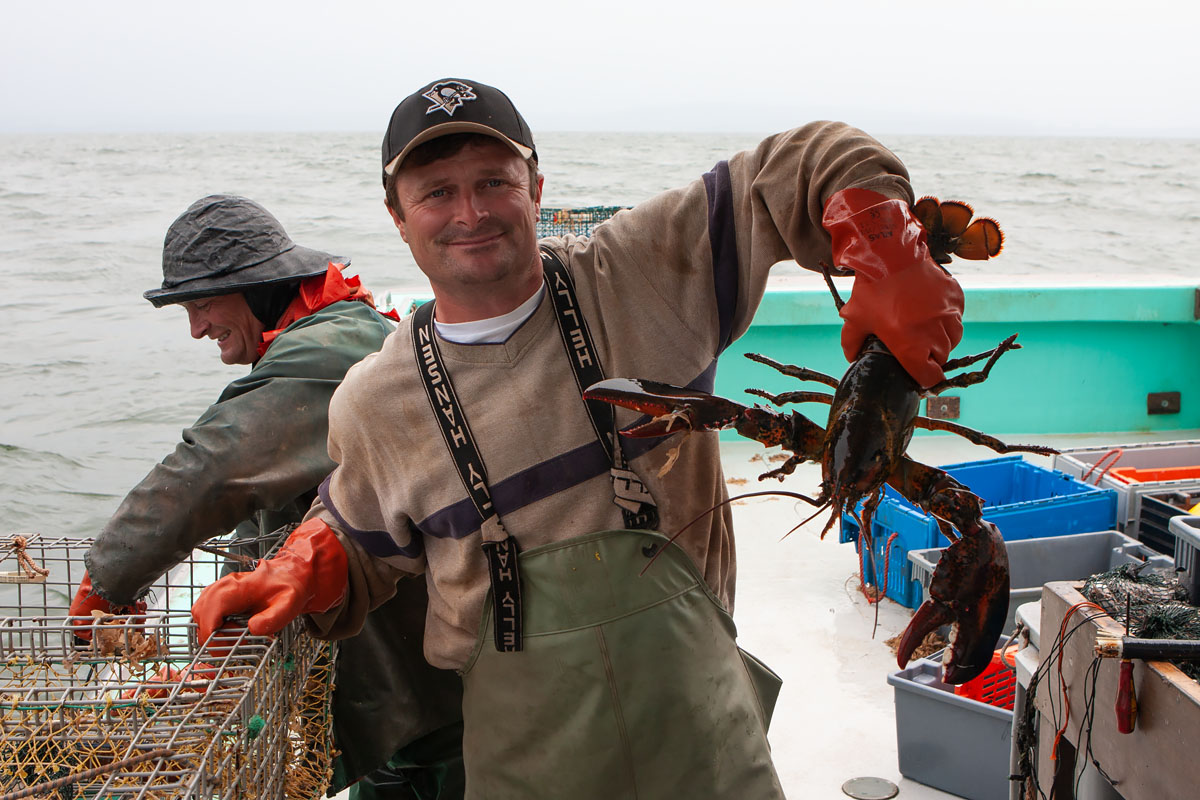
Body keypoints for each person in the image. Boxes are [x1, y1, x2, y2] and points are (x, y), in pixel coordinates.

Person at [192, 79, 965, 798]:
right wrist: (304, 563)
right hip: (524, 768)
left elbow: (800, 161)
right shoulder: (376, 400)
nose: (471, 212)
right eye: (436, 192)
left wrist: (885, 243)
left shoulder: (644, 273)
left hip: (705, 743)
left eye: (494, 180)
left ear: (536, 186)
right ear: (396, 216)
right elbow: (361, 541)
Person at [69, 195, 465, 800]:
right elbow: (277, 515)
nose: (196, 326)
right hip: (410, 685)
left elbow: (217, 466)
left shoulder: (330, 349)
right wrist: (214, 660)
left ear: (260, 288)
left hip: (431, 694)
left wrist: (106, 582)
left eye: (202, 303)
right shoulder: (334, 332)